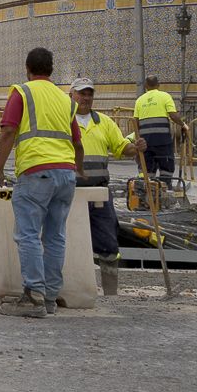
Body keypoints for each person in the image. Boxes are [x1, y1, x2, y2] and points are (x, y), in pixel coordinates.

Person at [0, 47, 82, 317]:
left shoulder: (23, 92)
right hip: (66, 174)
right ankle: (50, 297)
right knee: (55, 236)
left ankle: (34, 295)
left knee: (28, 234)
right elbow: (77, 141)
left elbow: (8, 132)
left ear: (27, 68)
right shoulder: (66, 100)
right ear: (51, 70)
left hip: (36, 171)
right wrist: (79, 169)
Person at [71, 79, 130, 265]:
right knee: (70, 242)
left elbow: (121, 147)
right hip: (70, 193)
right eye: (81, 93)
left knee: (108, 244)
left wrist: (135, 148)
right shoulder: (62, 121)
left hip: (99, 193)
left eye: (89, 94)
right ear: (71, 95)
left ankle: (110, 291)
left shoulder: (104, 122)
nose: (86, 98)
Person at [131, 76, 184, 178]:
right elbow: (173, 115)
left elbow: (136, 122)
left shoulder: (139, 100)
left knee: (147, 171)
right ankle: (165, 187)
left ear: (146, 86)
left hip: (145, 142)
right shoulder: (165, 96)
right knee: (166, 170)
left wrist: (137, 140)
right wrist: (183, 125)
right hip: (163, 142)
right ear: (158, 85)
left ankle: (149, 190)